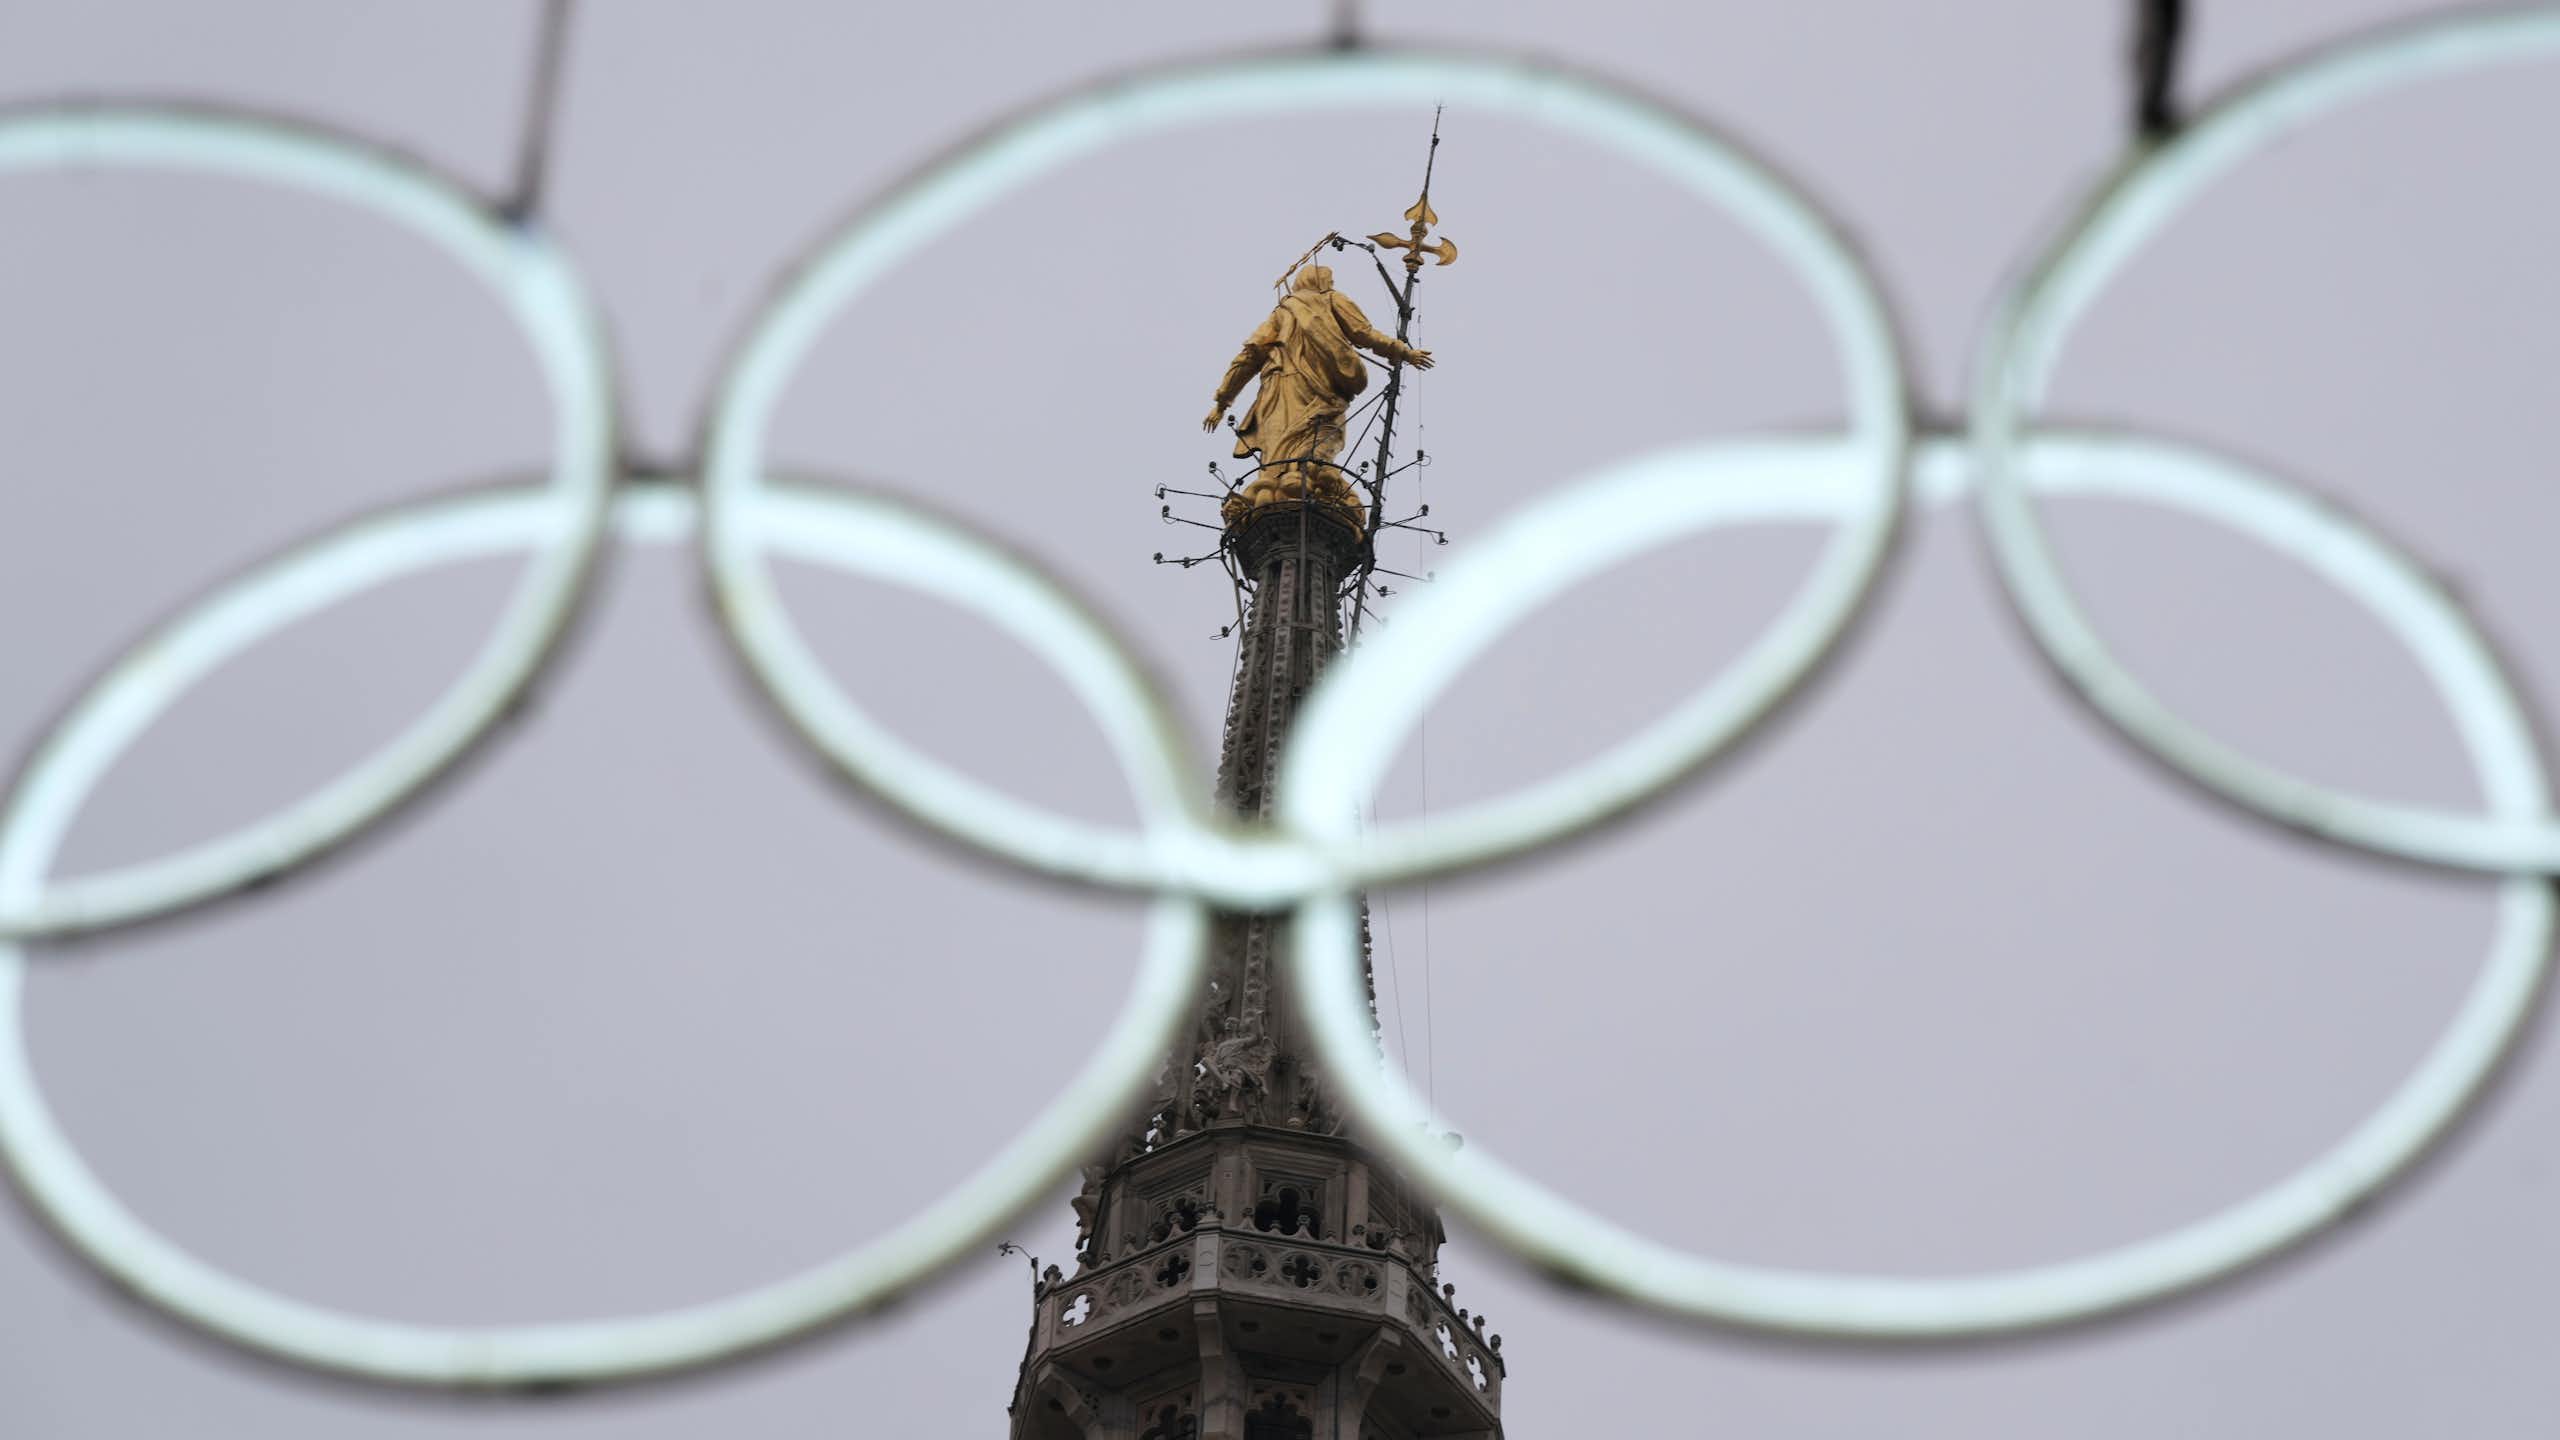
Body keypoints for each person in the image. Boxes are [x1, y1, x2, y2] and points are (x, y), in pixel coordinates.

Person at [1202, 263, 1433, 527]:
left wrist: (1222, 401)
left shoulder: (1282, 312)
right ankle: (1293, 487)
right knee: (1314, 443)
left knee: (1281, 451)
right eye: (1330, 280)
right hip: (1321, 392)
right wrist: (1403, 351)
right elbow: (1362, 333)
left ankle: (1279, 489)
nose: (1331, 284)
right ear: (1323, 282)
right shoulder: (1332, 299)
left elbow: (1249, 355)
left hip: (1277, 389)